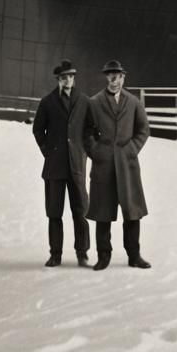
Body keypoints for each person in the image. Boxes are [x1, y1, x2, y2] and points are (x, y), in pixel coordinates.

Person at [84, 60, 151, 270]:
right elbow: (86, 133)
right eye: (110, 76)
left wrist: (131, 149)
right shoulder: (94, 102)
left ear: (123, 78)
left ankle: (134, 255)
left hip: (127, 165)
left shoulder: (133, 102)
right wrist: (96, 152)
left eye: (118, 76)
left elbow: (143, 130)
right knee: (102, 212)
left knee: (132, 211)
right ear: (107, 78)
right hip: (103, 166)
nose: (114, 80)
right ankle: (103, 256)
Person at [32, 59, 93, 267]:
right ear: (58, 80)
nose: (68, 80)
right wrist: (48, 152)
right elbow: (38, 130)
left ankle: (82, 253)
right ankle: (55, 254)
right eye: (64, 77)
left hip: (76, 165)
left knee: (81, 211)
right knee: (54, 212)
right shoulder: (47, 102)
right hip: (54, 166)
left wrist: (84, 151)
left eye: (71, 77)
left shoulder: (84, 101)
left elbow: (91, 130)